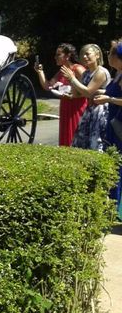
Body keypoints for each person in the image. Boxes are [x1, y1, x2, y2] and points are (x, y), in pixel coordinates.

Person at [35, 43, 87, 146]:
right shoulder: (61, 71)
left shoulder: (78, 69)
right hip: (65, 105)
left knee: (76, 136)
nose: (55, 57)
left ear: (67, 56)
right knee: (65, 137)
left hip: (77, 107)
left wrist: (73, 93)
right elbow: (48, 86)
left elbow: (87, 90)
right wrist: (40, 72)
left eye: (58, 55)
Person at [62, 43, 110, 152]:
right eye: (83, 54)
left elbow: (88, 92)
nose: (84, 57)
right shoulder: (87, 73)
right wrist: (71, 81)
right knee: (79, 142)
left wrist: (73, 79)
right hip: (89, 110)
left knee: (95, 143)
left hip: (99, 111)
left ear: (97, 55)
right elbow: (78, 93)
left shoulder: (101, 72)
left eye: (88, 54)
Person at [93, 40, 122, 219]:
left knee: (118, 164)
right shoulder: (118, 74)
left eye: (111, 53)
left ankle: (115, 210)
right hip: (114, 125)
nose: (108, 56)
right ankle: (111, 206)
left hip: (120, 127)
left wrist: (109, 99)